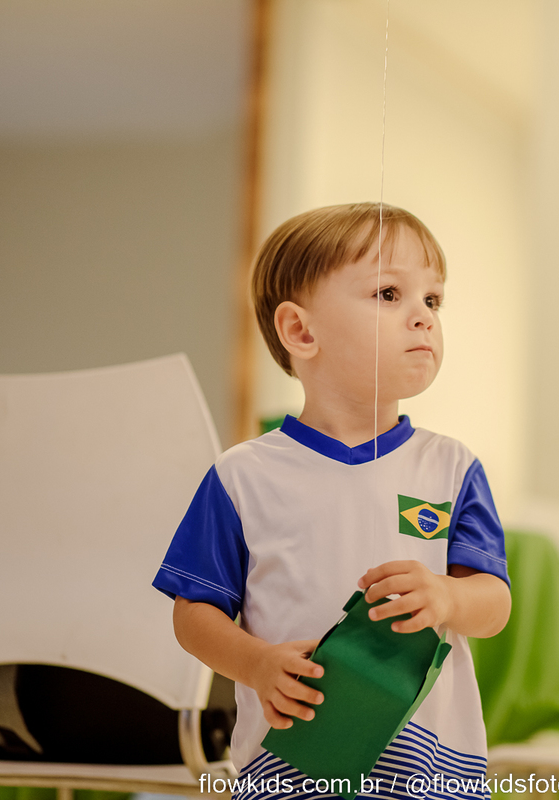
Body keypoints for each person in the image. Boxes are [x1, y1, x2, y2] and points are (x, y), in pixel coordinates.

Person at [152, 202, 511, 799]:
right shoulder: (242, 476)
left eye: (433, 299)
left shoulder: (453, 467)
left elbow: (493, 604)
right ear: (300, 331)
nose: (423, 317)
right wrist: (255, 664)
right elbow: (194, 616)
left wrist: (449, 596)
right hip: (289, 772)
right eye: (389, 293)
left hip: (431, 775)